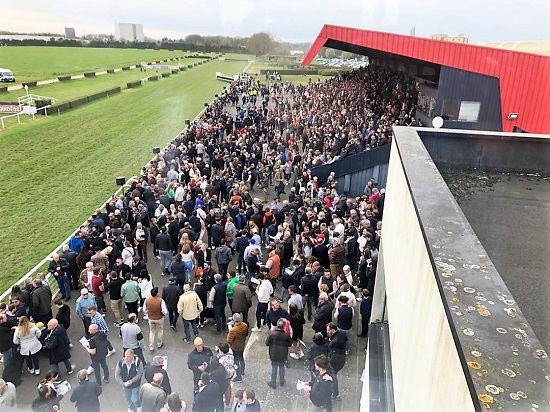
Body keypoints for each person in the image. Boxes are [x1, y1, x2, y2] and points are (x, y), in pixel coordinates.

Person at [265, 318, 292, 389]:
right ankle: (282, 381)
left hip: (274, 354)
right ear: (284, 326)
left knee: (274, 368)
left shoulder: (272, 334)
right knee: (281, 367)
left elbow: (267, 343)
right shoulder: (286, 335)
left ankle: (273, 382)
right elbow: (289, 344)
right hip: (283, 354)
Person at [143, 287, 168, 352]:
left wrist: (148, 313)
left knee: (152, 331)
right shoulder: (161, 300)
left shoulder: (147, 300)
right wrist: (162, 314)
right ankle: (159, 344)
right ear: (157, 293)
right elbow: (164, 311)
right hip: (159, 318)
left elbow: (144, 310)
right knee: (160, 331)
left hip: (151, 318)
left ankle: (151, 346)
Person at [326, 322, 346, 400]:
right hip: (341, 359)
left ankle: (335, 394)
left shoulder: (335, 342)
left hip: (336, 362)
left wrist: (329, 364)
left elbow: (334, 355)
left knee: (333, 377)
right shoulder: (342, 333)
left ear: (332, 330)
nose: (327, 332)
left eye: (328, 330)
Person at [226, 312, 248, 383]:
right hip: (242, 345)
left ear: (234, 320)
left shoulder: (233, 330)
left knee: (236, 362)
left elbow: (229, 340)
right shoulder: (244, 325)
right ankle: (242, 371)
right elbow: (246, 334)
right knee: (241, 358)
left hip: (235, 347)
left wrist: (230, 329)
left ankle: (238, 376)